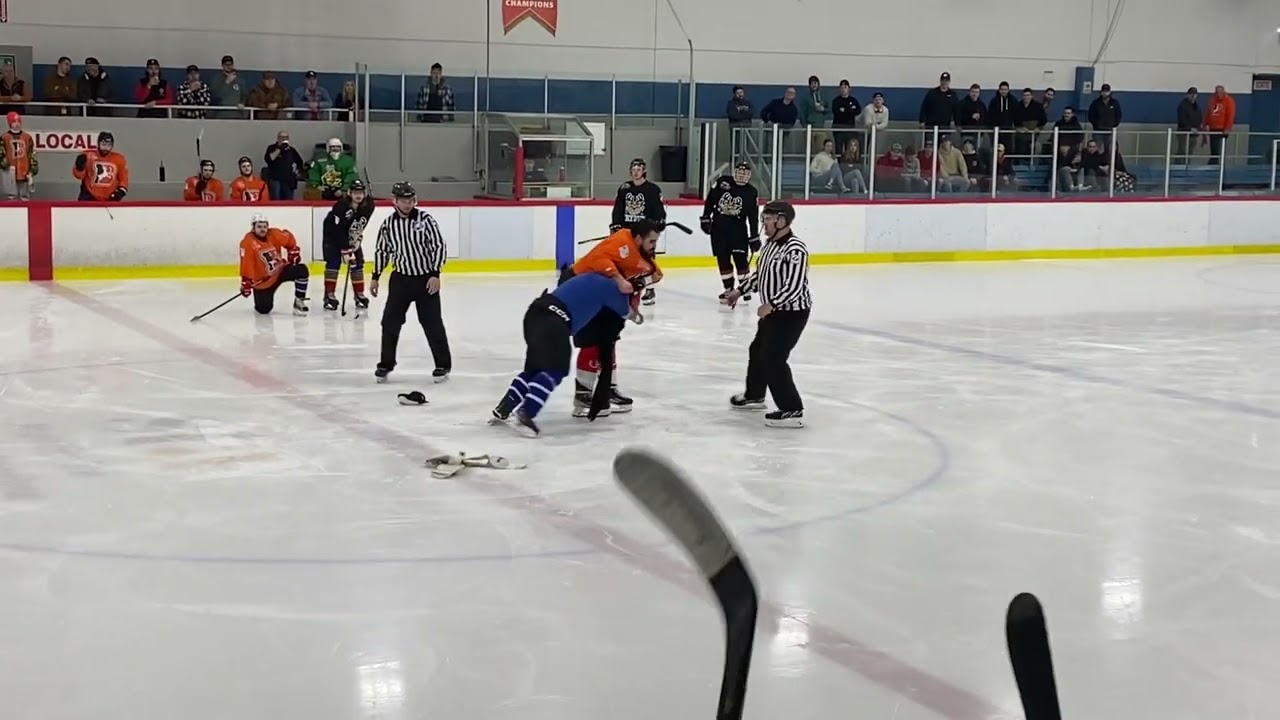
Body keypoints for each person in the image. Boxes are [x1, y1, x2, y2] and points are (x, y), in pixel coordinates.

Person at [491, 272, 640, 437]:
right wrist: (636, 312)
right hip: (555, 321)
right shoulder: (612, 288)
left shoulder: (591, 277)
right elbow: (629, 313)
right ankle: (527, 412)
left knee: (535, 369)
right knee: (557, 369)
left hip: (535, 313)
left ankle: (505, 406)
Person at [559, 219, 662, 417]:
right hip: (581, 289)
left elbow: (655, 274)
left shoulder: (640, 254)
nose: (654, 246)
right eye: (651, 241)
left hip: (604, 295)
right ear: (639, 238)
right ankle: (583, 395)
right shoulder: (622, 242)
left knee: (609, 339)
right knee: (591, 340)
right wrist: (619, 279)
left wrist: (639, 284)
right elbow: (599, 259)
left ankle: (608, 388)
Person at [723, 200, 812, 428]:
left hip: (792, 313)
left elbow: (794, 285)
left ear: (781, 221)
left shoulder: (795, 249)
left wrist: (771, 304)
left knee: (774, 357)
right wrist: (739, 291)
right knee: (758, 350)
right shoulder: (769, 245)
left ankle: (792, 408)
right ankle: (755, 395)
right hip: (774, 312)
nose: (763, 223)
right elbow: (759, 276)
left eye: (768, 219)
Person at [371, 181, 452, 383]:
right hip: (400, 280)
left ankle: (442, 364)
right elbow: (382, 251)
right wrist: (375, 276)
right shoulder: (389, 224)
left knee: (432, 323)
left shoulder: (425, 220)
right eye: (404, 201)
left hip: (425, 280)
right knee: (390, 322)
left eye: (410, 200)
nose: (408, 204)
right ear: (395, 201)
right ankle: (386, 364)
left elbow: (438, 247)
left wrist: (435, 274)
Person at [700, 161, 759, 302]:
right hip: (718, 229)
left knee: (740, 260)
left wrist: (754, 237)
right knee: (723, 259)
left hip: (738, 230)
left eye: (745, 173)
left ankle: (745, 288)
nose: (741, 175)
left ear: (749, 175)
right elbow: (710, 200)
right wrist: (705, 217)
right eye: (739, 172)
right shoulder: (723, 182)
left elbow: (753, 217)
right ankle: (728, 288)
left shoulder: (751, 192)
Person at [610, 157, 666, 305]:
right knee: (626, 258)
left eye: (639, 169)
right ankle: (628, 286)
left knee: (647, 259)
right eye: (633, 170)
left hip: (645, 231)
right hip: (628, 230)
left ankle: (650, 289)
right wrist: (616, 225)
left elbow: (659, 211)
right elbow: (618, 209)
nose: (636, 173)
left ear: (644, 171)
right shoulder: (624, 188)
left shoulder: (653, 189)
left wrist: (659, 221)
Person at [238, 214, 309, 315]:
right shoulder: (248, 242)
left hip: (280, 271)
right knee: (263, 309)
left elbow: (289, 238)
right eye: (259, 227)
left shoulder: (273, 234)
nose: (262, 229)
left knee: (301, 270)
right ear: (253, 228)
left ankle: (299, 301)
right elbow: (247, 262)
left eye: (264, 226)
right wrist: (246, 281)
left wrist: (293, 251)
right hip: (264, 281)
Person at [321, 178, 374, 311]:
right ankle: (329, 295)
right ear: (349, 193)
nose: (358, 195)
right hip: (332, 237)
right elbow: (339, 230)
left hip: (351, 236)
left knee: (358, 263)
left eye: (361, 192)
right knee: (333, 263)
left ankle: (359, 294)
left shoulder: (369, 205)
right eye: (355, 192)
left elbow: (361, 224)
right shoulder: (340, 206)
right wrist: (345, 250)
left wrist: (357, 240)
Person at [73, 131, 128, 201]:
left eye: (108, 145)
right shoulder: (88, 155)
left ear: (112, 145)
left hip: (110, 197)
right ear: (98, 143)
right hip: (89, 195)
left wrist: (121, 191)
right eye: (103, 144)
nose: (105, 148)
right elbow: (79, 176)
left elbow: (124, 179)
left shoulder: (119, 159)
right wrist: (79, 167)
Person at [0, 111, 37, 201]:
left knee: (24, 195)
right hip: (10, 169)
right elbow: (1, 153)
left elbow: (32, 153)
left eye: (18, 121)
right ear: (9, 123)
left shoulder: (27, 137)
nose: (17, 124)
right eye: (14, 121)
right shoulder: (4, 137)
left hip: (25, 169)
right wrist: (3, 163)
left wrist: (33, 168)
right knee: (11, 195)